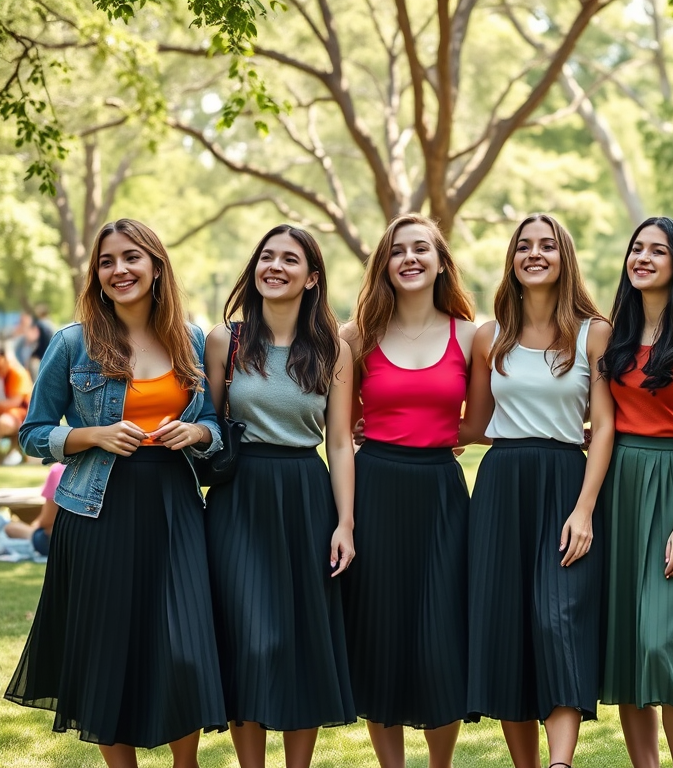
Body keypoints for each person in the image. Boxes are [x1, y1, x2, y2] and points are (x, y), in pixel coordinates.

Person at [5, 218, 226, 768]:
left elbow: (216, 427)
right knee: (105, 651)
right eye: (107, 262)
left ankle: (186, 763)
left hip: (174, 510)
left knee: (183, 648)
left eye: (131, 258)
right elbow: (32, 432)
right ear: (96, 274)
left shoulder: (192, 340)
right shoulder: (71, 343)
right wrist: (90, 435)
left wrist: (196, 432)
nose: (119, 270)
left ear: (156, 266)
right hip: (95, 512)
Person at [461, 213, 614, 768]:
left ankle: (560, 763)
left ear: (563, 257)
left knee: (559, 619)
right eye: (524, 246)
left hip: (565, 479)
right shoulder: (488, 336)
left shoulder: (594, 333)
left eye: (546, 246)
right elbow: (474, 424)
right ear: (512, 260)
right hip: (501, 485)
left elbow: (605, 426)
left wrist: (586, 509)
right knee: (506, 624)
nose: (534, 254)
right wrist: (384, 431)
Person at [204, 225, 357, 768]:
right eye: (266, 256)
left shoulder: (332, 348)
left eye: (289, 260)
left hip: (305, 497)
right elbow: (209, 423)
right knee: (250, 639)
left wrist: (345, 523)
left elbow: (339, 441)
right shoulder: (226, 340)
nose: (274, 266)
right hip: (239, 500)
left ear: (311, 277)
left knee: (299, 642)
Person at [340, 213, 476, 768]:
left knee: (440, 636)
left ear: (441, 261)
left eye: (422, 249)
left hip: (441, 492)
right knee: (381, 636)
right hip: (374, 488)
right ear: (384, 265)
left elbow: (484, 422)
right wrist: (346, 519)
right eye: (398, 251)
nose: (410, 259)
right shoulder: (355, 336)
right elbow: (341, 430)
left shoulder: (472, 334)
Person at [596, 217, 673, 768]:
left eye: (659, 251)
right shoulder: (612, 332)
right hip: (620, 484)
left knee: (663, 641)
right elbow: (601, 419)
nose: (643, 258)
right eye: (637, 248)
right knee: (627, 642)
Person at [0, 462, 64, 558]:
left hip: (57, 542)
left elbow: (47, 520)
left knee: (9, 528)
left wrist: (34, 527)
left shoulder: (59, 470)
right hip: (86, 542)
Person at [0, 348, 32, 464]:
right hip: (7, 413)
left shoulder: (17, 373)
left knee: (3, 423)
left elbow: (15, 402)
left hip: (22, 415)